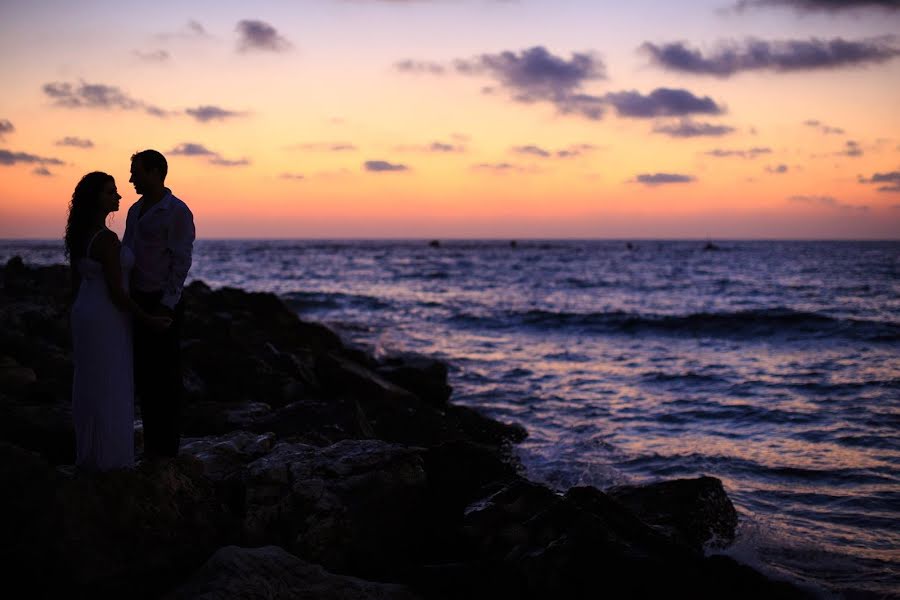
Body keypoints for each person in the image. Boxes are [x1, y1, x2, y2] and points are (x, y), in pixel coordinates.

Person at [65, 172, 171, 471]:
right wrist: (148, 319)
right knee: (111, 382)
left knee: (91, 380)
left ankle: (92, 453)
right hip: (106, 317)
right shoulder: (106, 240)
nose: (119, 197)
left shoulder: (80, 234)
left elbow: (76, 283)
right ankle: (110, 460)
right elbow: (117, 294)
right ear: (97, 199)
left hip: (85, 312)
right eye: (111, 192)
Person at [123, 150, 195, 460]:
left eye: (136, 172)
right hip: (137, 300)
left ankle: (167, 450)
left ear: (155, 172)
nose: (130, 179)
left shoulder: (176, 211)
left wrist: (167, 305)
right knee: (144, 376)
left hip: (162, 303)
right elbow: (127, 252)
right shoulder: (135, 210)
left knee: (166, 378)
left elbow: (181, 261)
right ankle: (153, 446)